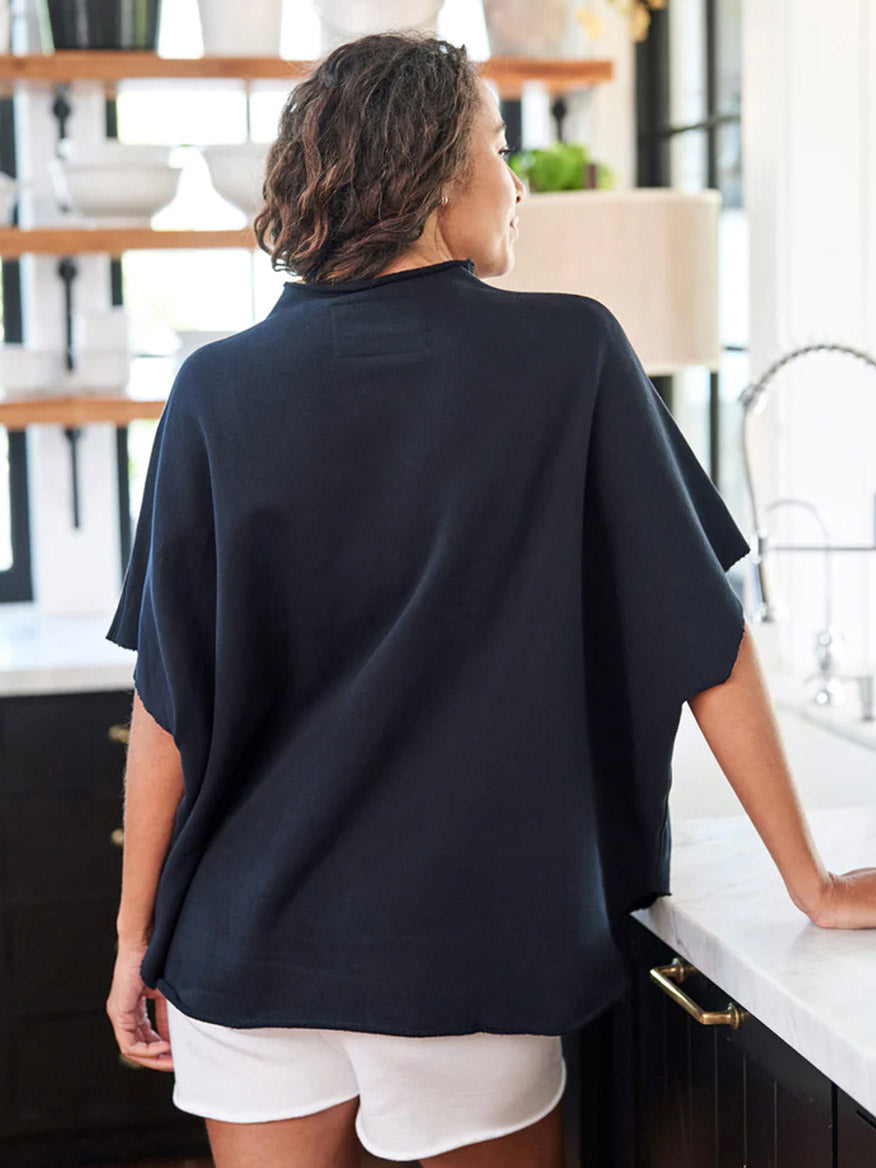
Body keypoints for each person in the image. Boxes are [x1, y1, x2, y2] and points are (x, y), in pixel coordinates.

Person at [104, 31, 876, 1168]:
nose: (517, 184)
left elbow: (170, 700)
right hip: (462, 954)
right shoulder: (570, 355)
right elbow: (703, 639)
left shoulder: (215, 389)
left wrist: (135, 939)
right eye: (499, 148)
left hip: (244, 954)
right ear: (429, 175)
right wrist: (808, 882)